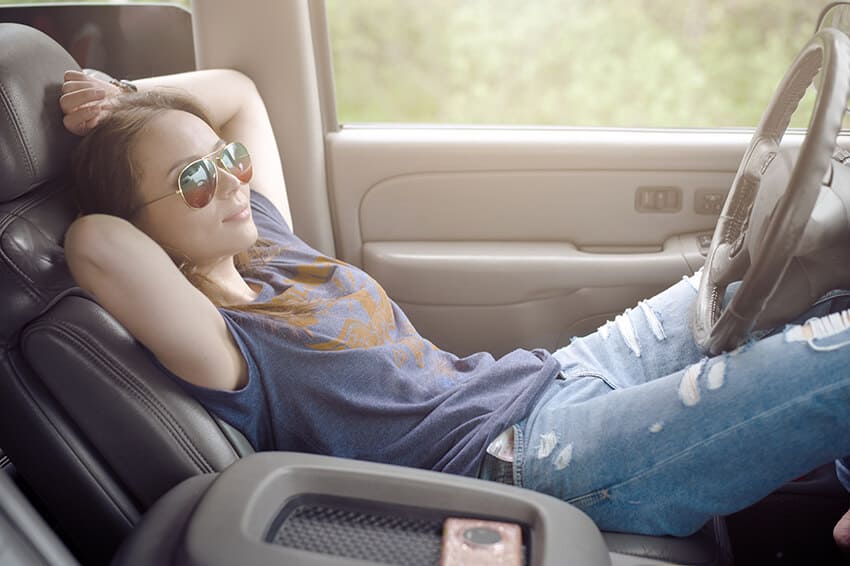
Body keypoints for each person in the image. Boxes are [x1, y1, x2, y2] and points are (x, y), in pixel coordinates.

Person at [60, 68, 850, 542]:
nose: (231, 181)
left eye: (227, 161)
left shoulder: (265, 238)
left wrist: (137, 95)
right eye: (195, 181)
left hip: (554, 379)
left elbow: (238, 95)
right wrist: (99, 145)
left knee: (781, 284)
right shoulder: (221, 343)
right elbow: (95, 238)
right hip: (524, 460)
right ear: (149, 228)